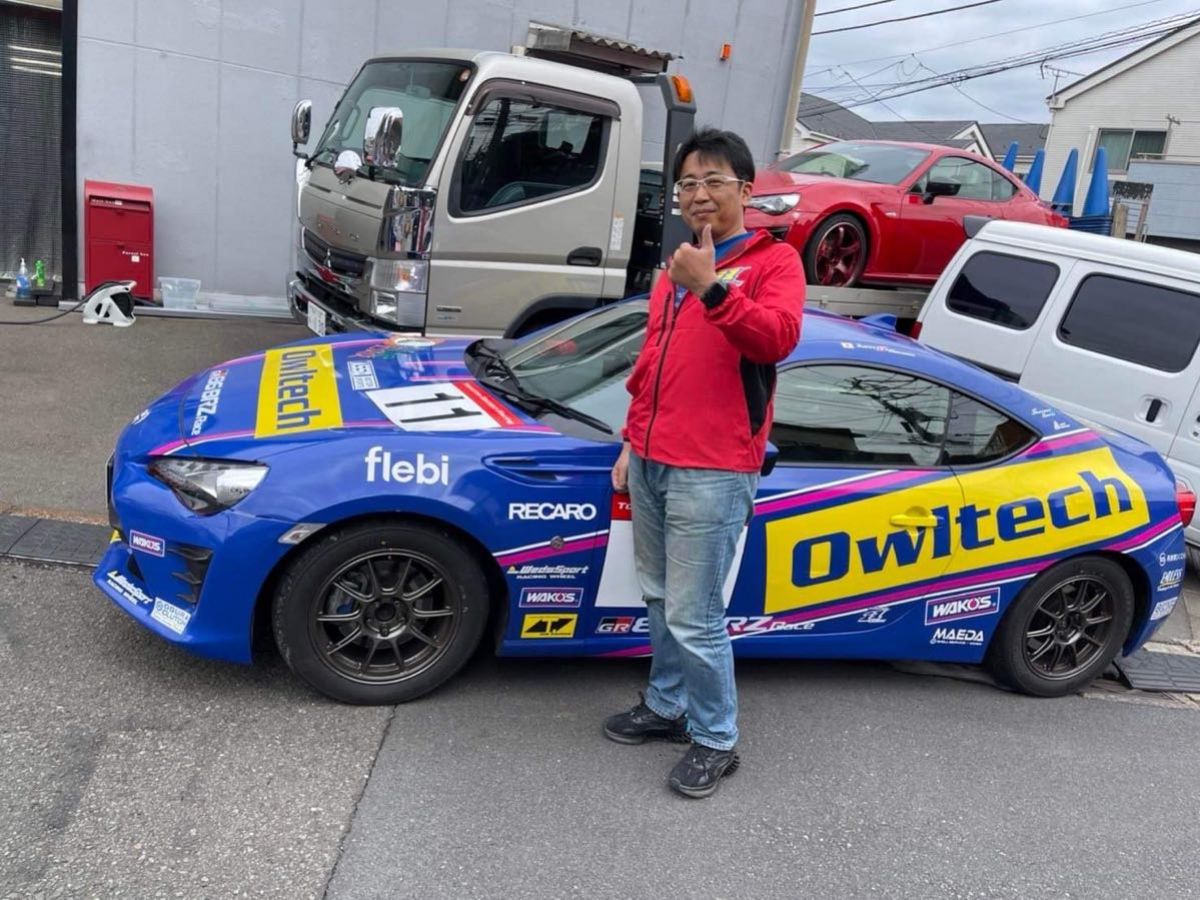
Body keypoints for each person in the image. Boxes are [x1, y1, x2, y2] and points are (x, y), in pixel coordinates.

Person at [603, 128, 805, 799]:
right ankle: (667, 705)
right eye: (687, 183)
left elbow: (775, 340)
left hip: (713, 469)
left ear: (745, 190)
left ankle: (716, 738)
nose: (698, 194)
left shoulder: (774, 263)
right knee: (660, 597)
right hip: (653, 458)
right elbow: (651, 365)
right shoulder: (676, 269)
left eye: (713, 181)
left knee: (695, 615)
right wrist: (632, 439)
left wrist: (713, 288)